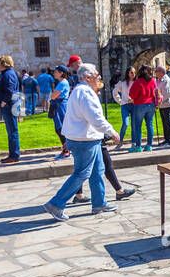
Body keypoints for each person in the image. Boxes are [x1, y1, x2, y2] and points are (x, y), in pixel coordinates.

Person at [44, 63, 120, 221]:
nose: (99, 76)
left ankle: (99, 203)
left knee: (98, 170)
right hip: (84, 140)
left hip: (88, 138)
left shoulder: (82, 91)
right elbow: (95, 117)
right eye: (96, 74)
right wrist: (111, 131)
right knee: (82, 173)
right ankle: (56, 204)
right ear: (87, 77)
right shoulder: (84, 93)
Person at [0, 55, 21, 163]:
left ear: (4, 64)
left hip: (9, 105)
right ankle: (12, 154)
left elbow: (10, 90)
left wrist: (4, 102)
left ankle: (14, 155)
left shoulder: (8, 74)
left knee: (12, 130)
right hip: (10, 105)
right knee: (11, 130)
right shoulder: (7, 74)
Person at [128, 64, 157, 152]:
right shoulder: (153, 81)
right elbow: (155, 91)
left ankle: (138, 146)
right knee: (150, 125)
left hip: (140, 104)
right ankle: (149, 145)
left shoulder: (138, 81)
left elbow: (132, 94)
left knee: (138, 126)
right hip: (151, 104)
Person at [49, 64, 71, 157]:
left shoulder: (62, 83)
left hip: (60, 106)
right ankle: (66, 148)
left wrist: (53, 96)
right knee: (60, 128)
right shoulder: (62, 82)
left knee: (60, 128)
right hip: (59, 105)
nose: (54, 73)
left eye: (56, 72)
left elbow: (53, 96)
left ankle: (66, 149)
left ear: (61, 73)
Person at [154, 61, 170, 146]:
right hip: (162, 104)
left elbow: (166, 94)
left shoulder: (166, 80)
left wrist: (158, 102)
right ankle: (166, 139)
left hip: (167, 103)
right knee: (164, 122)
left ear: (161, 72)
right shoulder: (159, 80)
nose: (155, 73)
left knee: (168, 122)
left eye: (156, 71)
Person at [112, 66, 135, 148]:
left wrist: (135, 100)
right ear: (128, 73)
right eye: (131, 72)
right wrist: (120, 101)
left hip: (134, 106)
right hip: (125, 105)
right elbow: (115, 92)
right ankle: (120, 142)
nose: (133, 74)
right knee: (125, 123)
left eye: (134, 73)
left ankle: (134, 142)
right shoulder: (122, 83)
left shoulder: (136, 82)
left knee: (134, 125)